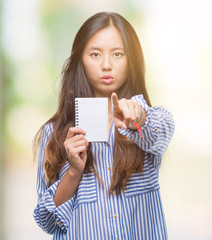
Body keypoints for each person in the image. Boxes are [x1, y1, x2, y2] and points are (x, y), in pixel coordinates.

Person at [32, 12, 175, 240]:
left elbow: (160, 132)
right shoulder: (55, 133)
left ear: (132, 60)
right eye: (95, 54)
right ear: (81, 60)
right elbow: (48, 222)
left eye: (118, 54)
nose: (106, 65)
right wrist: (73, 171)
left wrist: (139, 118)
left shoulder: (151, 121)